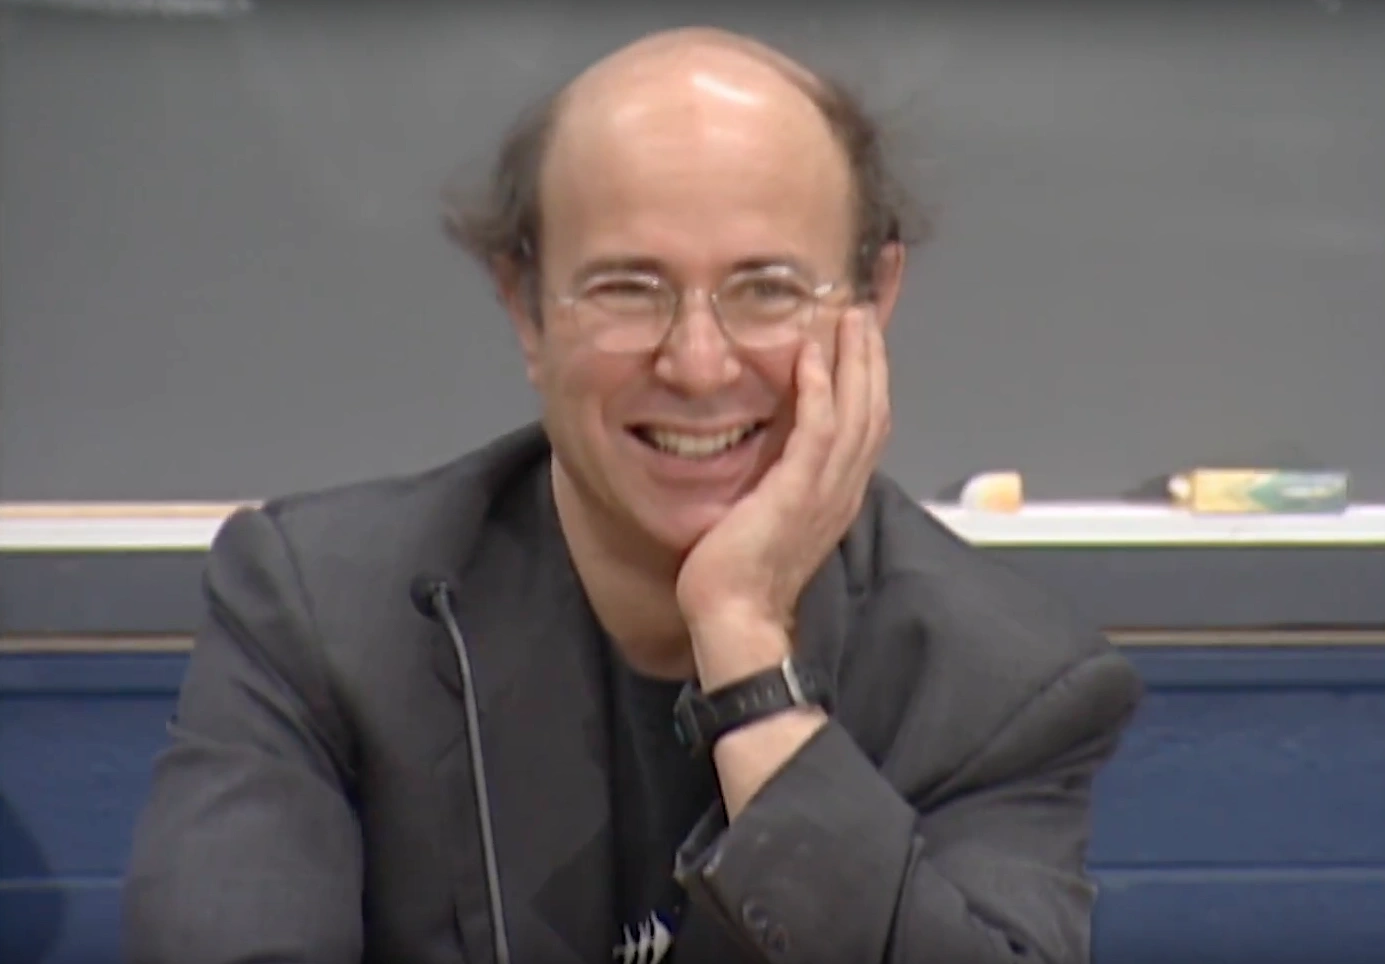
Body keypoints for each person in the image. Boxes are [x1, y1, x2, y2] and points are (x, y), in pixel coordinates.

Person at [123, 26, 1142, 964]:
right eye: (626, 288)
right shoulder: (319, 616)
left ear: (872, 304)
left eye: (767, 289)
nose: (697, 363)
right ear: (525, 309)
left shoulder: (997, 684)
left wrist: (745, 650)